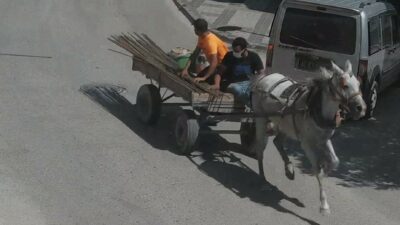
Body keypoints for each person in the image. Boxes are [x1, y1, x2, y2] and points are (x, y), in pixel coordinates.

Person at [212, 37, 264, 106]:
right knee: (235, 89)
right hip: (233, 83)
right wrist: (217, 85)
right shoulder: (229, 56)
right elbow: (219, 72)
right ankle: (249, 103)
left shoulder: (254, 56)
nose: (235, 53)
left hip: (248, 83)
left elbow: (261, 73)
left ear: (245, 49)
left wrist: (256, 84)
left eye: (237, 52)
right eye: (234, 51)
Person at [181, 18, 228, 83]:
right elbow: (195, 53)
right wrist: (185, 69)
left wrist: (204, 77)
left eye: (195, 29)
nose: (194, 30)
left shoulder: (210, 42)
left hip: (222, 67)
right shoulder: (201, 37)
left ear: (199, 31)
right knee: (198, 75)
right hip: (215, 65)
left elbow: (214, 62)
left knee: (202, 81)